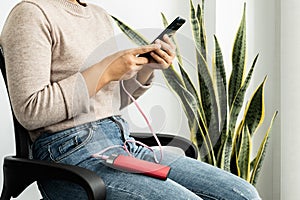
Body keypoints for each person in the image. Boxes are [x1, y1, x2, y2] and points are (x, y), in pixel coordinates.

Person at [0, 0, 262, 199]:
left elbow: (108, 101)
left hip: (122, 145)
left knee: (243, 194)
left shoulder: (98, 16)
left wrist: (147, 68)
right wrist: (104, 72)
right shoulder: (31, 14)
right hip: (70, 156)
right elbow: (30, 110)